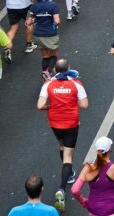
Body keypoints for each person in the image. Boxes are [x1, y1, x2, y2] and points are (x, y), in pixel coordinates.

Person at [38, 59, 89, 210]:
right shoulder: (76, 84)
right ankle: (61, 188)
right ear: (69, 69)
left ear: (54, 70)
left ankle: (70, 174)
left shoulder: (48, 84)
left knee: (61, 146)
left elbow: (40, 105)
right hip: (71, 123)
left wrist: (50, 106)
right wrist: (73, 102)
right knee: (68, 156)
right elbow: (85, 104)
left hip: (55, 122)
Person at [71, 137, 114, 216]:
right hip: (112, 210)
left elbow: (74, 190)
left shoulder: (88, 168)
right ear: (109, 150)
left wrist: (82, 201)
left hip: (94, 210)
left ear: (96, 151)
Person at [27, 0, 62, 79]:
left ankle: (44, 72)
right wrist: (54, 23)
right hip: (50, 33)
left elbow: (29, 22)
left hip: (38, 34)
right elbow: (57, 20)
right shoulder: (53, 5)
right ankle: (48, 72)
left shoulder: (34, 6)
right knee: (54, 54)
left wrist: (37, 19)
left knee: (45, 55)